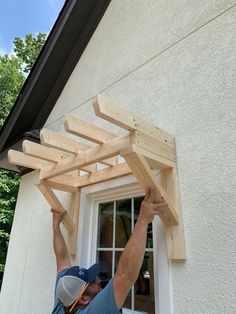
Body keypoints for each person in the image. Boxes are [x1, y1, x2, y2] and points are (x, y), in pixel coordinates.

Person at [51, 187, 163, 313]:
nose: (99, 279)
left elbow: (62, 259)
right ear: (83, 299)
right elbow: (125, 275)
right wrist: (143, 220)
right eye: (92, 281)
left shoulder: (64, 300)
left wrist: (56, 225)